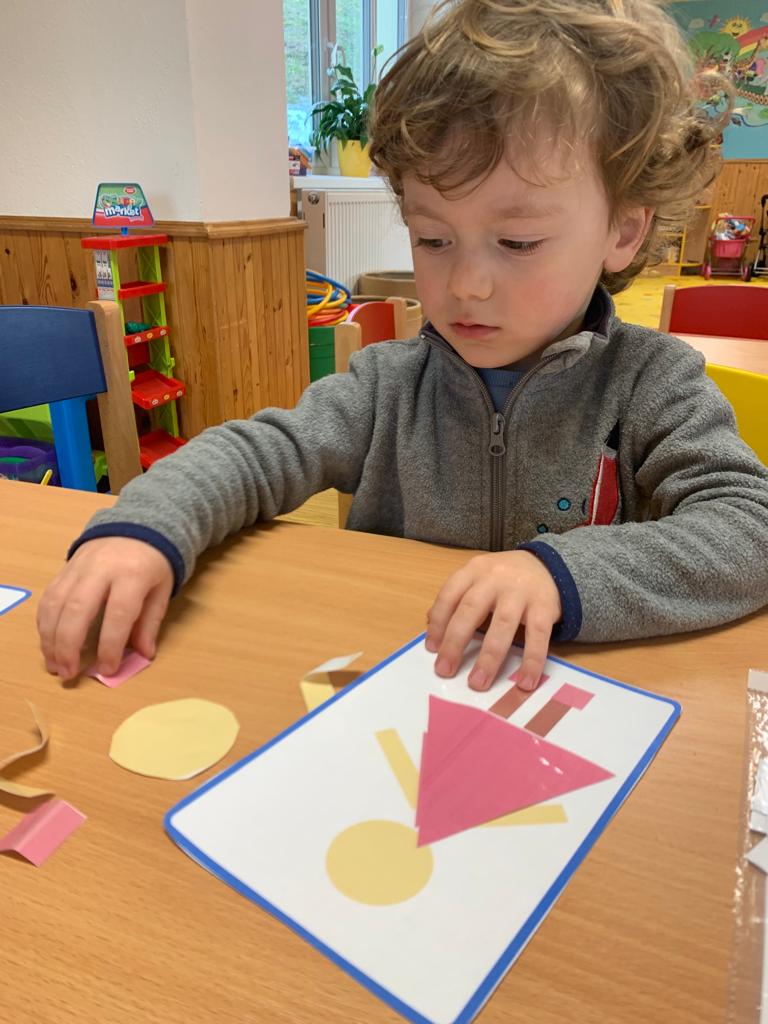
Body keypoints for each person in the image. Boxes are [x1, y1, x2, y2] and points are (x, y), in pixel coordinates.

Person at [38, 0, 768, 694]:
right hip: (402, 683)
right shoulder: (387, 385)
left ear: (624, 231)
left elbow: (749, 529)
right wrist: (142, 529)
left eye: (518, 242)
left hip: (573, 700)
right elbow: (255, 454)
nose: (466, 286)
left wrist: (561, 573)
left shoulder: (652, 383)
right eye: (432, 239)